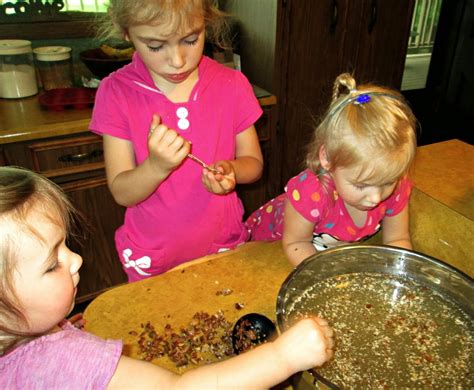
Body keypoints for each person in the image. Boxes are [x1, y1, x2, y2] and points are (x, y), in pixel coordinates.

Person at [0, 166, 334, 389]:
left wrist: (54, 329)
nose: (75, 260)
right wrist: (284, 356)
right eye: (50, 264)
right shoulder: (63, 362)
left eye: (65, 246)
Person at [89, 0, 264, 281]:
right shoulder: (116, 92)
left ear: (205, 22)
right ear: (127, 34)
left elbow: (253, 164)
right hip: (155, 257)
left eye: (191, 39)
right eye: (156, 46)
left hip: (223, 245)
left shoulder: (232, 85)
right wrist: (156, 166)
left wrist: (232, 170)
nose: (178, 60)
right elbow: (122, 191)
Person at [246, 73, 418, 266]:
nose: (375, 198)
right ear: (327, 158)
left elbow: (397, 240)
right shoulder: (311, 193)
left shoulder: (396, 187)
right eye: (361, 185)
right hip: (269, 247)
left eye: (388, 182)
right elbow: (296, 243)